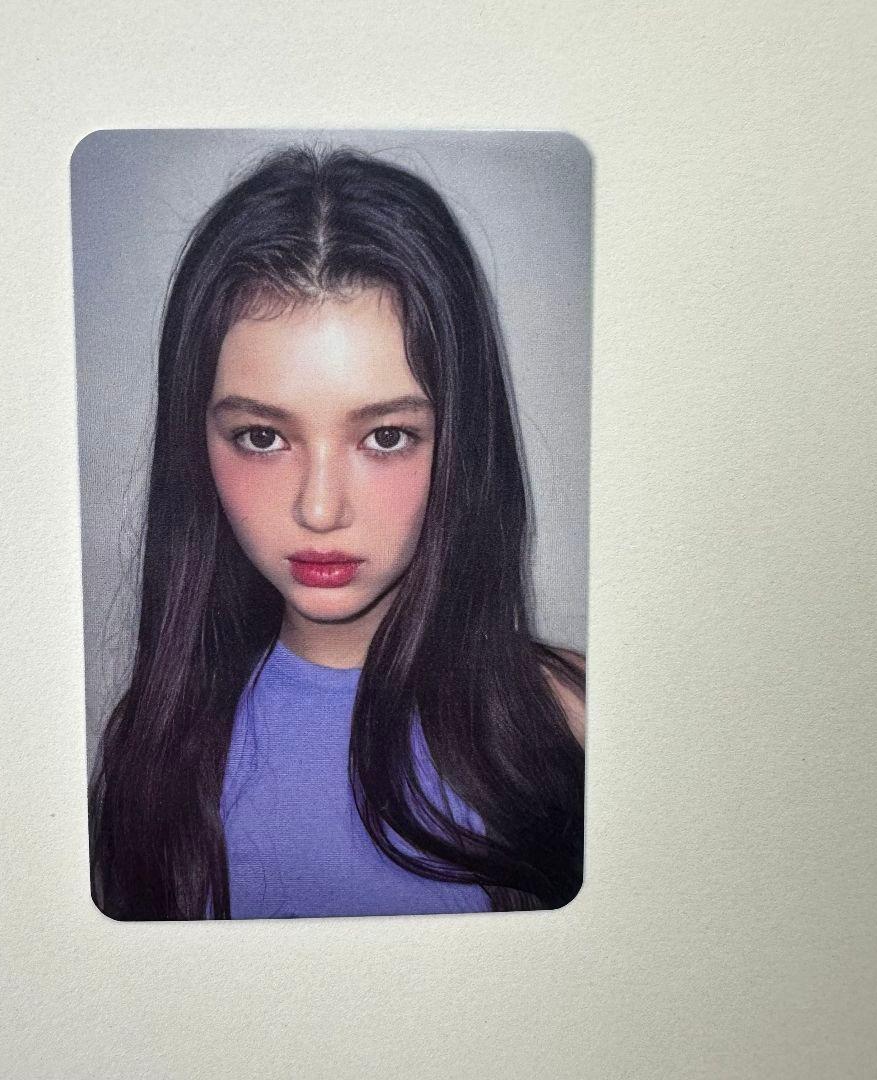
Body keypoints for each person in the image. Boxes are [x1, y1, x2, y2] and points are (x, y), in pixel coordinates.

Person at [88, 144, 585, 920]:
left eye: (386, 437)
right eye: (261, 437)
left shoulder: (575, 724)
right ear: (197, 445)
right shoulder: (150, 754)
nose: (319, 510)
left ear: (461, 443)